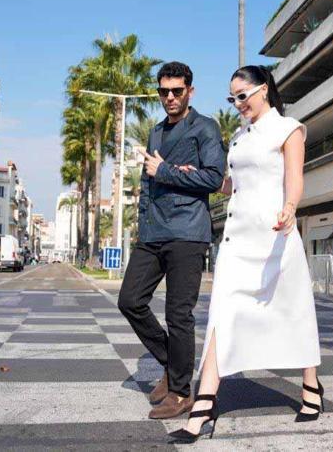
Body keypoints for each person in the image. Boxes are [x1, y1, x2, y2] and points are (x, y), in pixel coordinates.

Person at [169, 65, 323, 443]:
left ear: (263, 90)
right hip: (238, 239)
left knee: (294, 310)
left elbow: (294, 177)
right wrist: (203, 178)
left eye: (242, 96)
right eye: (232, 98)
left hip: (275, 236)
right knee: (222, 314)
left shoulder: (289, 129)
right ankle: (205, 404)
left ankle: (311, 385)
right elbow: (236, 185)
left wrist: (290, 207)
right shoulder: (239, 137)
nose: (238, 104)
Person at [118, 61, 226, 420]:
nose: (170, 97)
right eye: (163, 91)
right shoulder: (155, 132)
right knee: (130, 300)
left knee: (178, 314)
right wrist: (142, 223)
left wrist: (164, 171)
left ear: (189, 91)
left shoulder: (205, 128)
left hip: (187, 233)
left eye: (177, 91)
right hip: (153, 232)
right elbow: (147, 183)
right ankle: (172, 363)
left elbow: (213, 178)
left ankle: (180, 393)